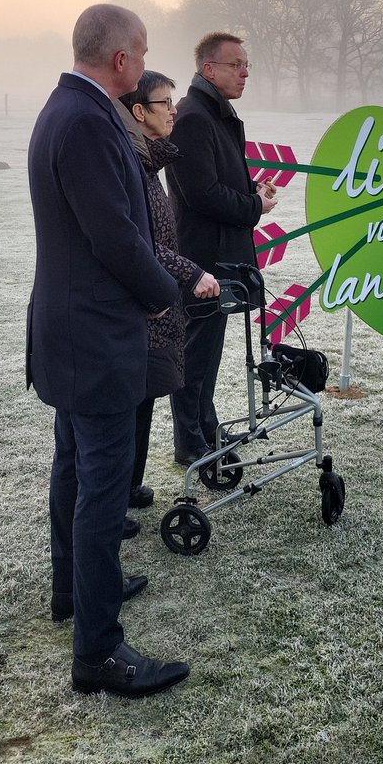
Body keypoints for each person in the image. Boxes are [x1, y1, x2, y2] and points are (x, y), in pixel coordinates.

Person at [27, 4, 190, 697]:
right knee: (100, 489)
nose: (144, 59)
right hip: (94, 336)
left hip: (69, 331)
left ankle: (75, 590)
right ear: (122, 59)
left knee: (74, 467)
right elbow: (117, 237)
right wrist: (163, 295)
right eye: (144, 50)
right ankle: (98, 652)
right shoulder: (90, 122)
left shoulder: (61, 109)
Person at [165, 32, 278, 464]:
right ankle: (190, 442)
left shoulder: (216, 113)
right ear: (209, 69)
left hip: (217, 252)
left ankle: (205, 429)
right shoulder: (195, 116)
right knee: (196, 353)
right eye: (237, 65)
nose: (246, 73)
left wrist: (251, 189)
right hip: (202, 257)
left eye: (247, 65)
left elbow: (217, 180)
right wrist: (254, 205)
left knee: (207, 351)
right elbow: (201, 194)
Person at [117, 70, 220, 508]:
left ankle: (129, 486)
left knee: (143, 401)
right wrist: (190, 273)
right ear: (139, 112)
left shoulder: (149, 162)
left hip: (153, 305)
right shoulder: (132, 168)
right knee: (130, 407)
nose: (173, 109)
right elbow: (142, 243)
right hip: (140, 308)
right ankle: (117, 498)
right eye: (164, 103)